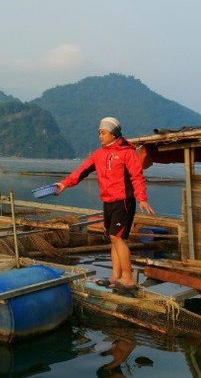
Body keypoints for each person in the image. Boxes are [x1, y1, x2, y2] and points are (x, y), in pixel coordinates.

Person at [55, 117, 154, 290]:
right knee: (114, 239)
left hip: (123, 201)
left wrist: (142, 198)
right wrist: (64, 183)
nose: (100, 136)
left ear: (113, 133)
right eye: (99, 133)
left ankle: (128, 278)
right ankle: (115, 277)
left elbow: (136, 176)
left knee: (118, 238)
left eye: (103, 133)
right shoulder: (99, 154)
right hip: (107, 201)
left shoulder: (127, 152)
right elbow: (82, 171)